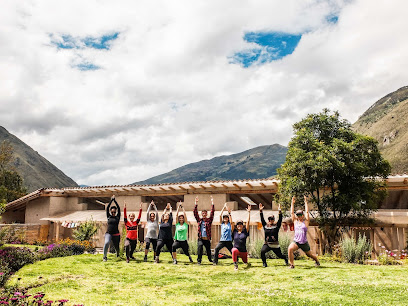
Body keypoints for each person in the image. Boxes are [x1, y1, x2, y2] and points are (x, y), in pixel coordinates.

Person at [287, 196, 320, 269]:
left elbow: (307, 212)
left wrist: (305, 202)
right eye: (297, 215)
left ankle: (317, 260)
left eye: (300, 215)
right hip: (296, 242)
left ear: (303, 215)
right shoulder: (295, 221)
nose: (299, 216)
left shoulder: (306, 222)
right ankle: (292, 265)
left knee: (309, 255)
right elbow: (292, 213)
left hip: (304, 242)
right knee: (290, 249)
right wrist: (292, 203)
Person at [259, 203, 288, 267]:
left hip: (275, 245)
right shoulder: (265, 226)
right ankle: (264, 263)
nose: (270, 220)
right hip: (267, 244)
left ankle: (285, 258)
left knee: (279, 255)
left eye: (271, 219)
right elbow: (262, 219)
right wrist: (261, 211)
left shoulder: (276, 226)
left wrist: (280, 211)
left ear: (273, 220)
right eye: (269, 219)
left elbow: (280, 219)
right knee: (262, 251)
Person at [193, 196, 215, 264]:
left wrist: (212, 202)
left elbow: (212, 212)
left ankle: (210, 259)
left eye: (205, 213)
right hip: (201, 238)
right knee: (200, 248)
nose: (204, 214)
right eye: (203, 213)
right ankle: (199, 261)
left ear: (206, 214)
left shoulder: (209, 220)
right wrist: (196, 203)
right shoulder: (199, 220)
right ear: (201, 214)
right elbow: (195, 212)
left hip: (207, 238)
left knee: (208, 250)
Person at [231, 204, 251, 271]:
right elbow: (231, 223)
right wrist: (229, 214)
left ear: (243, 225)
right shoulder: (234, 232)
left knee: (245, 262)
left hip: (243, 251)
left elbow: (248, 222)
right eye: (238, 224)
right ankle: (235, 265)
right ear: (236, 226)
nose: (239, 225)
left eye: (241, 224)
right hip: (236, 249)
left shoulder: (245, 231)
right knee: (234, 250)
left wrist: (249, 212)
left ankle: (245, 261)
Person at [103, 195, 121, 261]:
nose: (113, 213)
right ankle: (104, 256)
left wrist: (115, 201)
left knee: (117, 246)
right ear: (110, 212)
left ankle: (118, 254)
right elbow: (107, 208)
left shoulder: (118, 217)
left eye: (114, 212)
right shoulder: (109, 217)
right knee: (106, 243)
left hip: (116, 234)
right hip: (109, 233)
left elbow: (119, 208)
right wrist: (111, 200)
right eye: (112, 212)